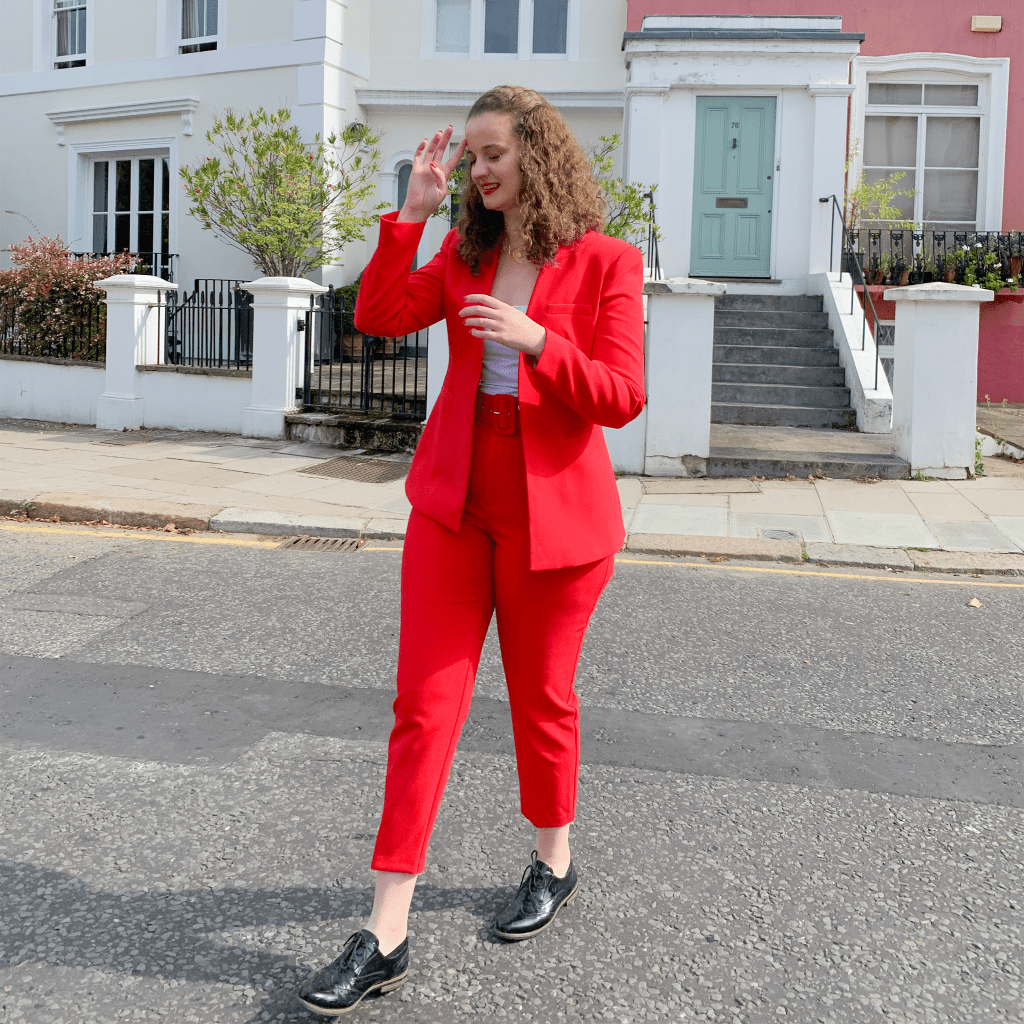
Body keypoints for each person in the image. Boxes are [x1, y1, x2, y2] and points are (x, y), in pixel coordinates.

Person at [298, 85, 646, 1017]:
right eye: (473, 157)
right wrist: (406, 217)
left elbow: (620, 395)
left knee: (542, 697)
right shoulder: (464, 252)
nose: (479, 171)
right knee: (425, 704)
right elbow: (378, 314)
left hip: (557, 515)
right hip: (456, 500)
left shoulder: (609, 260)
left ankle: (553, 857)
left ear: (539, 154)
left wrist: (537, 339)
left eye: (494, 153)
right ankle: (384, 932)